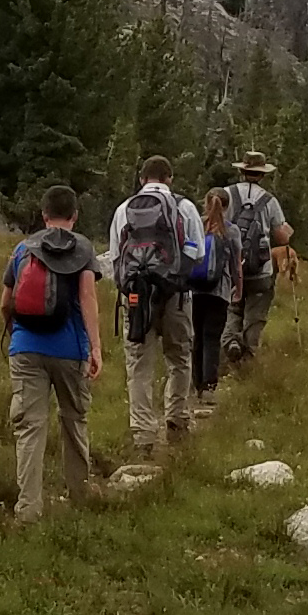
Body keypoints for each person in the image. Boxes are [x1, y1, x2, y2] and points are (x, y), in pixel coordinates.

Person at [0, 183, 105, 522]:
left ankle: (28, 508)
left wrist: (17, 334)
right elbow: (87, 297)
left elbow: (4, 302)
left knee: (30, 428)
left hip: (26, 349)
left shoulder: (22, 249)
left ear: (44, 216)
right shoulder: (83, 248)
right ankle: (79, 495)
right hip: (70, 349)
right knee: (74, 421)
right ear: (74, 215)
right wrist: (95, 348)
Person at [107, 153, 206, 456]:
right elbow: (199, 253)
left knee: (139, 366)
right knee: (179, 358)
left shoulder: (124, 209)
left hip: (137, 299)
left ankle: (143, 435)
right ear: (169, 178)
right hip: (175, 296)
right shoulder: (184, 207)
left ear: (141, 179)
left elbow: (115, 259)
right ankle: (176, 419)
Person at [217, 153, 296, 369]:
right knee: (256, 314)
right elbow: (282, 237)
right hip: (260, 267)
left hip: (230, 265)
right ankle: (248, 358)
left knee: (232, 308)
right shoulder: (269, 200)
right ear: (262, 175)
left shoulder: (226, 194)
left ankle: (231, 341)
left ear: (241, 171)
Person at [190, 179, 237, 394]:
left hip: (195, 289)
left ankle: (196, 382)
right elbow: (236, 264)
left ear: (205, 203)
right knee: (212, 338)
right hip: (220, 290)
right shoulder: (231, 231)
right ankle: (210, 384)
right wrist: (239, 287)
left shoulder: (197, 225)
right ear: (227, 206)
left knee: (196, 336)